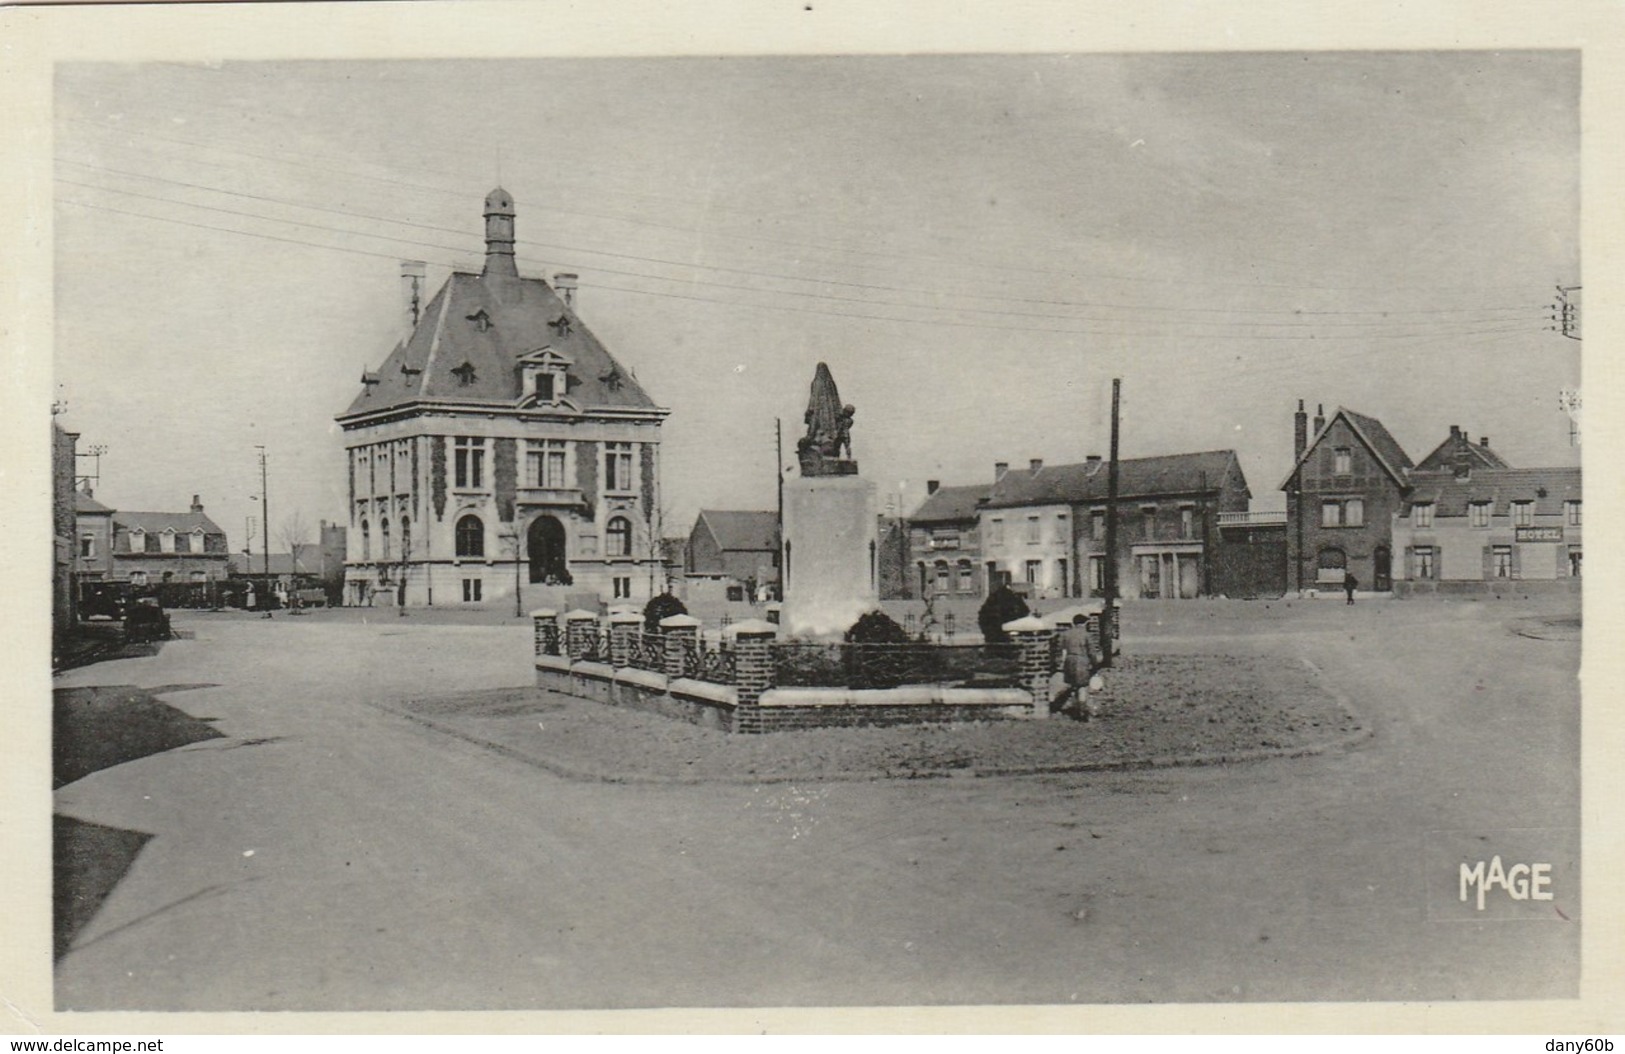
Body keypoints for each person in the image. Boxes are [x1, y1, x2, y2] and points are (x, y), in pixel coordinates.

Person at [1052, 614, 1102, 718]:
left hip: (1069, 661)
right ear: (1085, 623)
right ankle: (1082, 711)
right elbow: (1092, 652)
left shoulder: (1065, 634)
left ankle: (1076, 707)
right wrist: (1095, 665)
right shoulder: (1087, 635)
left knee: (1074, 684)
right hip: (1082, 661)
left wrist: (1059, 663)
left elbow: (1058, 649)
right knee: (1082, 686)